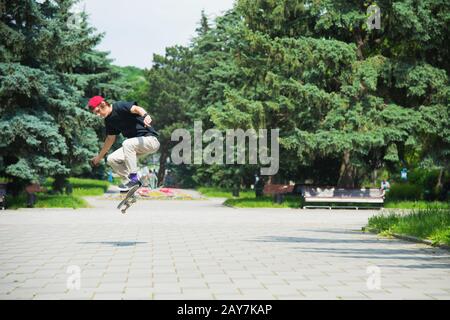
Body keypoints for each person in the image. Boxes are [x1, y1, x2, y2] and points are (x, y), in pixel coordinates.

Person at [88, 96, 160, 192]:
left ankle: (133, 179)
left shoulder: (119, 106)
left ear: (103, 104)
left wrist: (145, 115)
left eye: (98, 111)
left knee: (127, 143)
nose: (97, 115)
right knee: (111, 159)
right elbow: (110, 139)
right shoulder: (108, 121)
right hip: (135, 146)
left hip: (150, 140)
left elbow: (137, 108)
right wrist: (99, 158)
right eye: (95, 113)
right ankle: (131, 184)